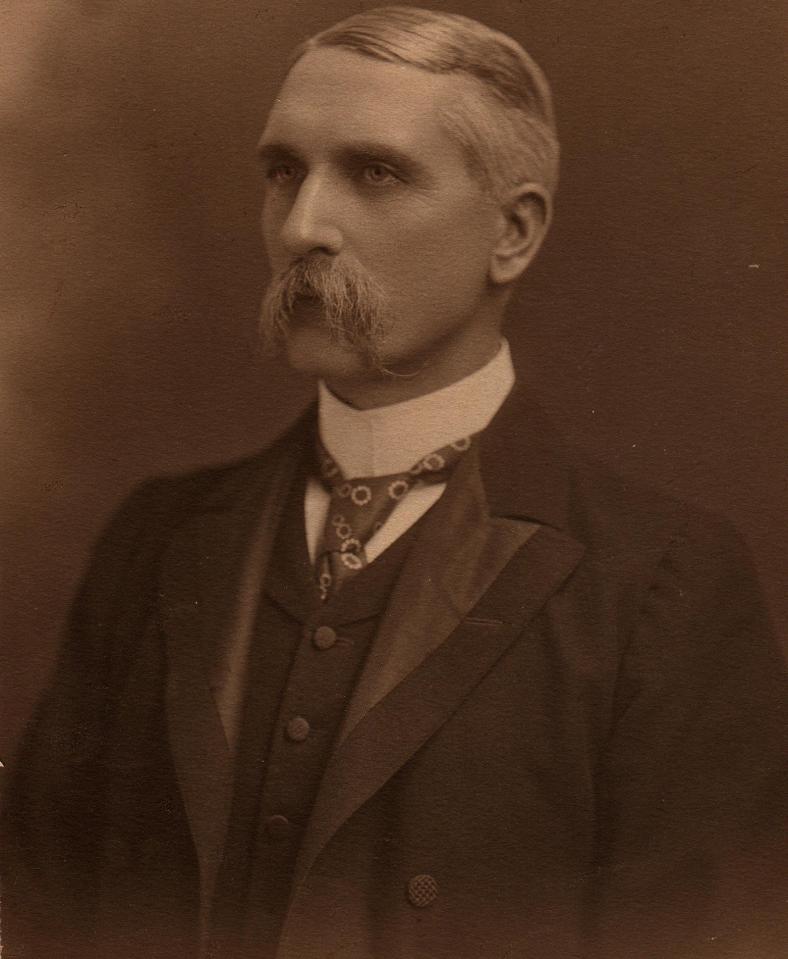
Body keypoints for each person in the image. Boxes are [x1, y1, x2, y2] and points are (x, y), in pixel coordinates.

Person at [2, 7, 785, 959]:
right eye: (283, 172)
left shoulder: (661, 582)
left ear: (513, 233)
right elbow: (34, 913)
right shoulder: (156, 539)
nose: (302, 227)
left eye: (376, 173)